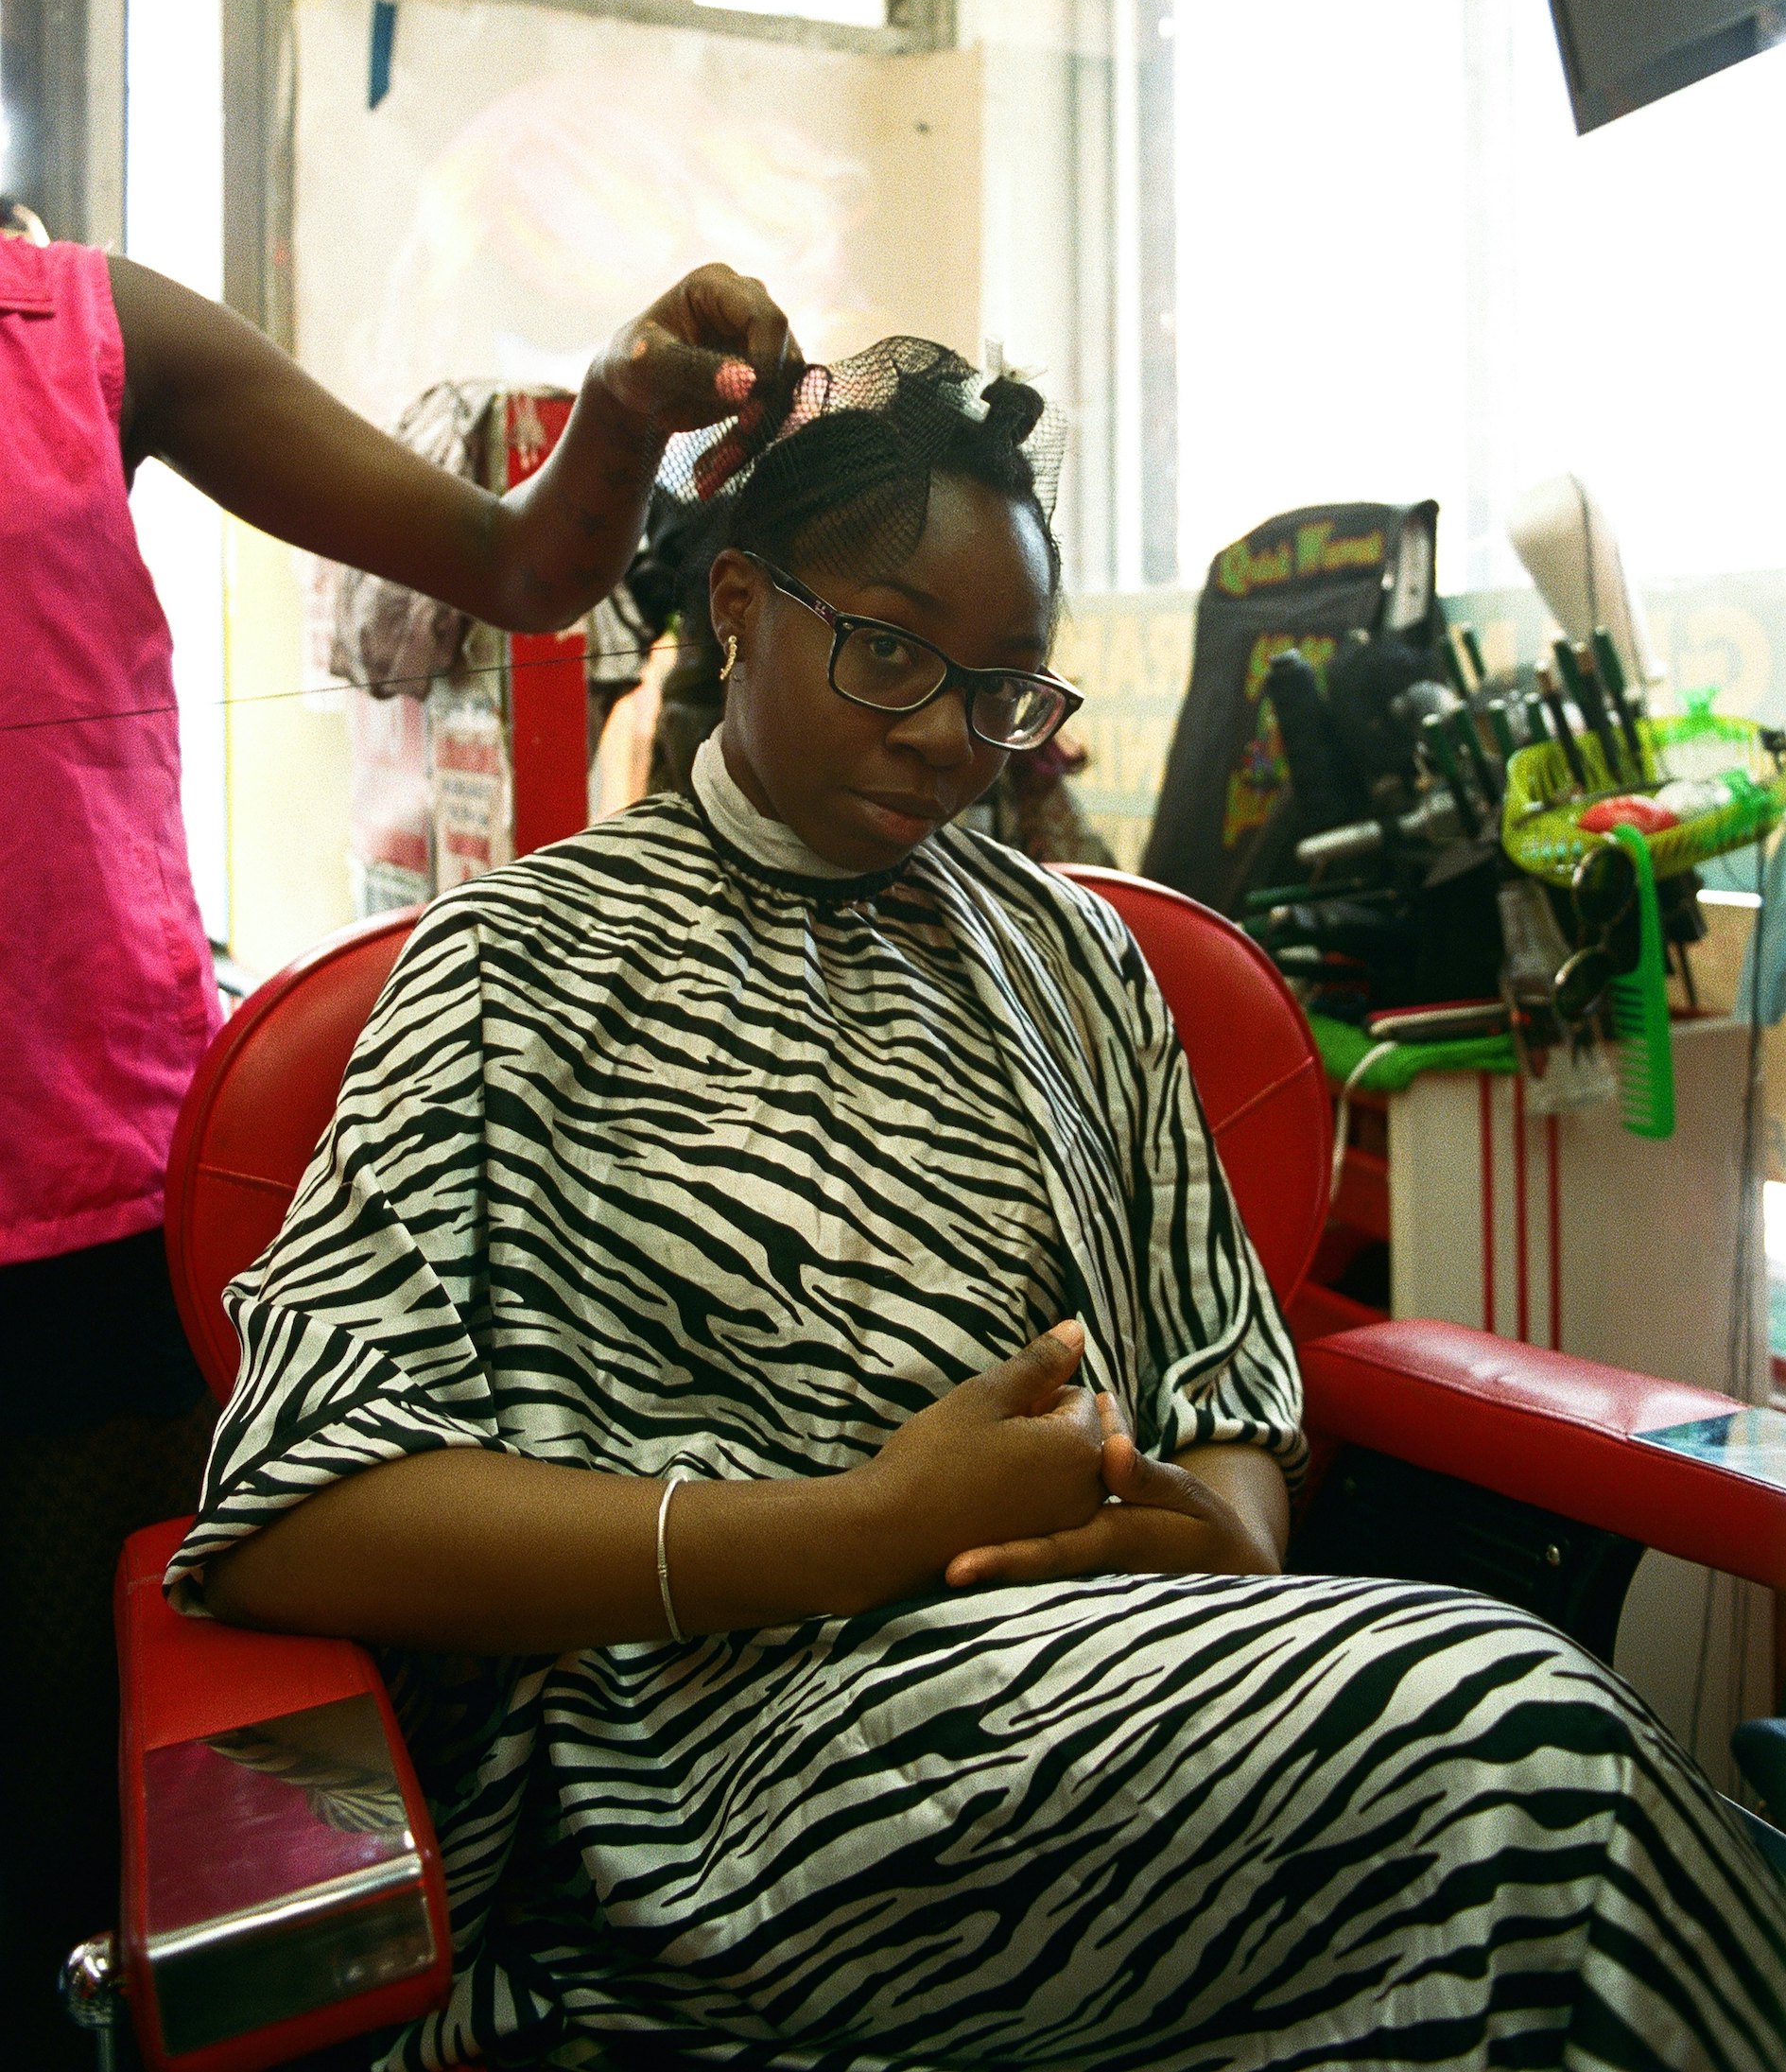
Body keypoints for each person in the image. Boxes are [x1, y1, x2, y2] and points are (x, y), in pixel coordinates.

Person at [176, 341, 1783, 2070]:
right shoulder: (519, 967)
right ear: (740, 604)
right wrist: (861, 1525)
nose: (951, 735)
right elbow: (296, 1514)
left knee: (1514, 1864)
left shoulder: (1077, 955)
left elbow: (1231, 1392)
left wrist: (1222, 1529)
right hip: (720, 1794)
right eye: (889, 652)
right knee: (1529, 1753)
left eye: (1003, 689)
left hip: (1137, 1732)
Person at [0, 224, 796, 2060]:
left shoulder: (82, 333)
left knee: (77, 1851)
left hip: (79, 1230)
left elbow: (518, 568)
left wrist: (618, 413)